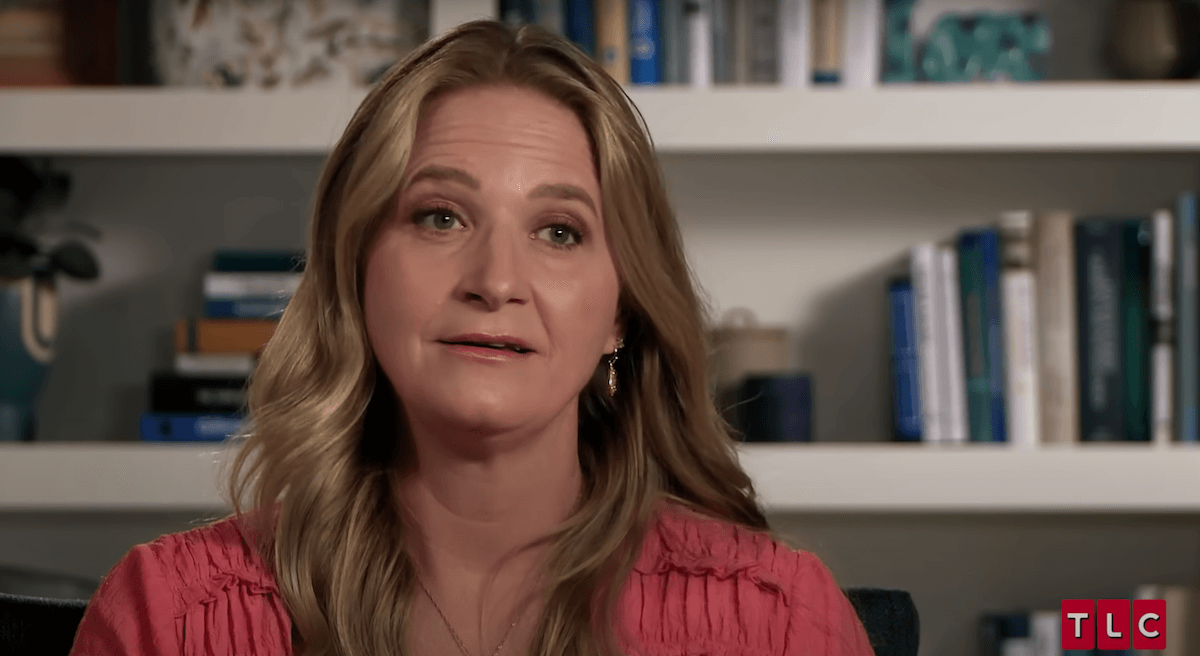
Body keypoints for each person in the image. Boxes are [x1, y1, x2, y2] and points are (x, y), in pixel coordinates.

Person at [70, 19, 876, 656]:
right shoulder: (166, 620)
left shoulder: (782, 622)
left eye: (559, 232)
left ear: (621, 310)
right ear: (356, 270)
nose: (495, 280)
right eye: (440, 216)